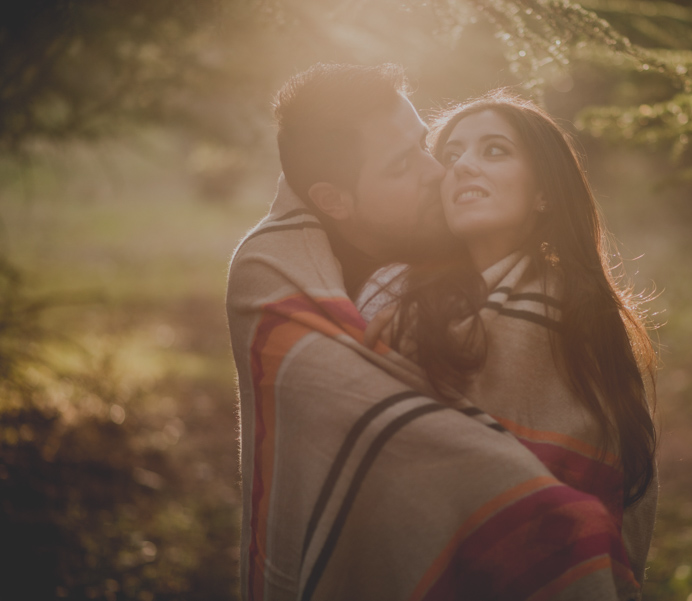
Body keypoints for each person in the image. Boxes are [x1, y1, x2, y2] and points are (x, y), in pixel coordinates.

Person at [227, 63, 640, 601]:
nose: (442, 171)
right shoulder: (284, 276)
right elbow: (371, 445)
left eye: (425, 144)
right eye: (404, 163)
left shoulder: (575, 307)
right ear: (334, 201)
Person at [359, 91, 658, 583]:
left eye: (494, 150)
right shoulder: (391, 295)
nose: (462, 166)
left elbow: (630, 495)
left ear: (544, 193)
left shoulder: (588, 321)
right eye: (451, 155)